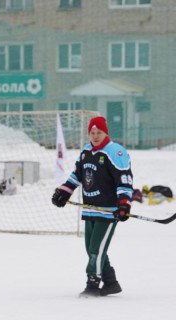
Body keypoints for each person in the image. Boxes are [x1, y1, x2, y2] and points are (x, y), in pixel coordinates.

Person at [51, 115, 133, 297]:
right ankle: (111, 282)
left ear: (106, 133)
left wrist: (124, 204)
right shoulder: (86, 151)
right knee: (91, 248)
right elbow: (77, 175)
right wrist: (64, 191)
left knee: (97, 250)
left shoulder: (115, 152)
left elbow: (124, 179)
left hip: (108, 210)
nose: (95, 136)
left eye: (99, 132)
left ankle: (93, 284)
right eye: (92, 132)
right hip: (90, 208)